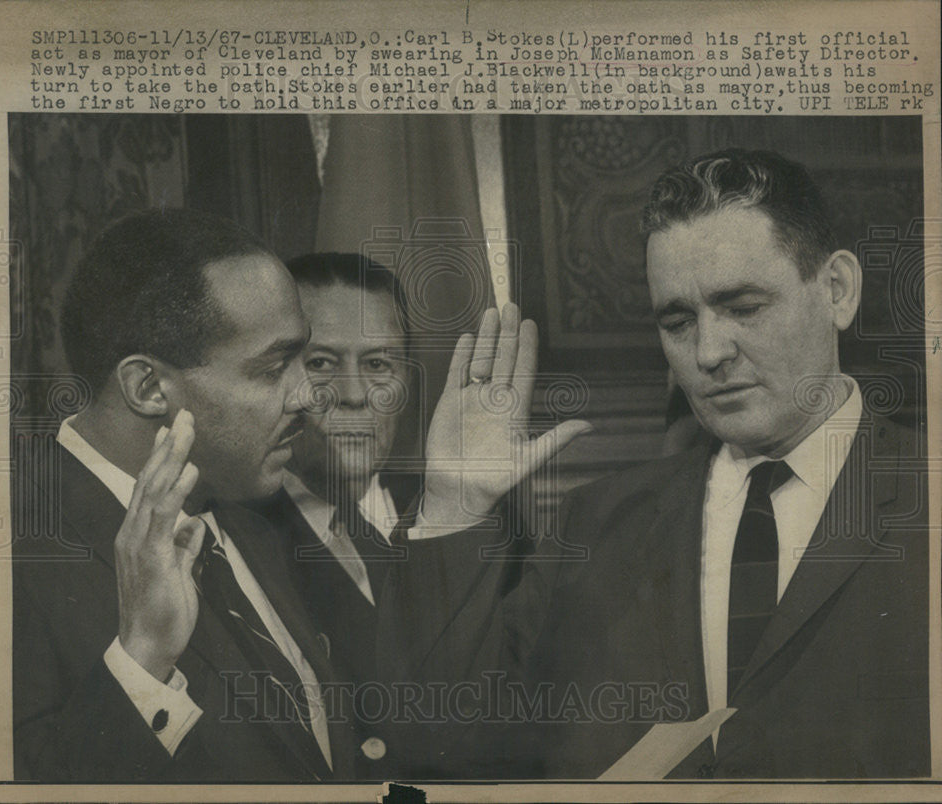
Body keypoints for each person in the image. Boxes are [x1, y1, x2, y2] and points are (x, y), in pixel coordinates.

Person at [379, 149, 931, 779]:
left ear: (837, 290)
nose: (709, 351)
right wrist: (455, 506)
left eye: (744, 307)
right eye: (677, 320)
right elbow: (437, 751)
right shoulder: (595, 524)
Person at [13, 208, 349, 781]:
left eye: (305, 358)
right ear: (147, 387)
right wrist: (142, 659)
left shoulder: (256, 496)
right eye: (272, 369)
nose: (311, 396)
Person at [248, 252, 421, 774]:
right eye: (321, 363)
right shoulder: (238, 541)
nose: (352, 395)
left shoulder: (457, 511)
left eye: (377, 364)